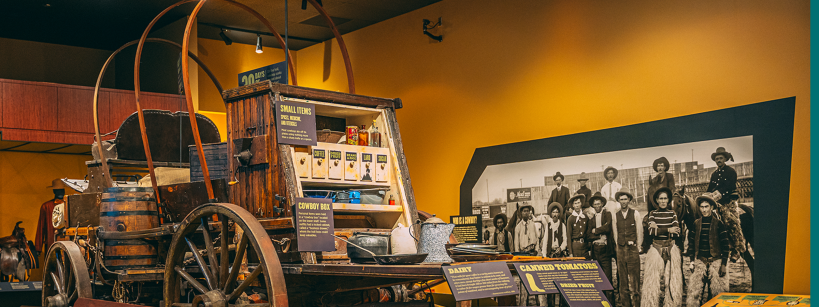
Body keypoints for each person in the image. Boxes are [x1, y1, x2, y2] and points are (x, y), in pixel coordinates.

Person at [706, 147, 752, 272]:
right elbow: (710, 188)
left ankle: (737, 248)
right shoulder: (714, 174)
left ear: (725, 159)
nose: (718, 160)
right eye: (717, 159)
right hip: (716, 202)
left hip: (728, 202)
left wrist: (716, 196)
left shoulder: (731, 171)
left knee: (730, 220)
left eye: (721, 158)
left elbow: (729, 187)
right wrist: (706, 196)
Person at [686, 194, 731, 307]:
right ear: (699, 208)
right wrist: (692, 261)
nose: (704, 210)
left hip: (716, 261)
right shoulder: (695, 224)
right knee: (694, 295)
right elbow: (691, 244)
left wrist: (723, 264)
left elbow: (725, 246)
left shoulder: (719, 224)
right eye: (702, 207)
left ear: (711, 207)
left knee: (718, 295)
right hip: (700, 261)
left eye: (707, 207)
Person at [642, 187, 683, 307]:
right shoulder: (652, 214)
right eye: (661, 198)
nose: (663, 201)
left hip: (671, 248)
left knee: (672, 281)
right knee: (652, 282)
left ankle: (671, 304)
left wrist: (658, 229)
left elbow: (677, 232)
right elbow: (651, 232)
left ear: (668, 200)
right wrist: (668, 229)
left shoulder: (672, 213)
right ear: (657, 200)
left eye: (665, 198)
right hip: (656, 249)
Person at [611, 188, 642, 307]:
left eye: (625, 199)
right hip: (620, 249)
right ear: (618, 200)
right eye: (621, 199)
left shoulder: (635, 213)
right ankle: (625, 304)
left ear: (629, 200)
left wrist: (638, 246)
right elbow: (615, 233)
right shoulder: (615, 215)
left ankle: (636, 304)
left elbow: (639, 231)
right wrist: (619, 245)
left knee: (634, 281)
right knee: (623, 281)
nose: (623, 201)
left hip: (632, 249)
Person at [587, 192, 615, 303]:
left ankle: (610, 303)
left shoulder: (607, 214)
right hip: (596, 250)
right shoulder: (592, 217)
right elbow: (589, 235)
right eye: (595, 204)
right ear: (593, 206)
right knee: (598, 278)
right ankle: (601, 303)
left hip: (605, 250)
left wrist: (596, 230)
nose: (597, 206)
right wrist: (599, 235)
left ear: (602, 204)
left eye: (599, 204)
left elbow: (608, 228)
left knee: (607, 278)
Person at [540, 202, 567, 307]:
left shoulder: (562, 225)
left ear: (559, 214)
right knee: (550, 281)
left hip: (559, 255)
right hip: (550, 255)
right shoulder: (548, 226)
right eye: (553, 212)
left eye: (557, 212)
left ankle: (561, 304)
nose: (555, 214)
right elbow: (545, 240)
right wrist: (544, 255)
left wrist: (561, 248)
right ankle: (551, 304)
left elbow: (565, 240)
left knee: (561, 281)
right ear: (551, 214)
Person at [35, 179, 66, 253]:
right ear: (54, 191)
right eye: (58, 190)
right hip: (51, 242)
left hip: (66, 241)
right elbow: (41, 226)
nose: (60, 192)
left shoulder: (67, 205)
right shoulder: (46, 206)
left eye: (62, 190)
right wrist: (38, 248)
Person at [566, 194, 590, 259]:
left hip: (585, 247)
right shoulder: (570, 219)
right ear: (573, 205)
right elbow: (568, 236)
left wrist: (589, 249)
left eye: (578, 203)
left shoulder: (585, 217)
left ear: (581, 204)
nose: (577, 205)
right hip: (575, 247)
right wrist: (570, 253)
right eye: (575, 203)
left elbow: (588, 234)